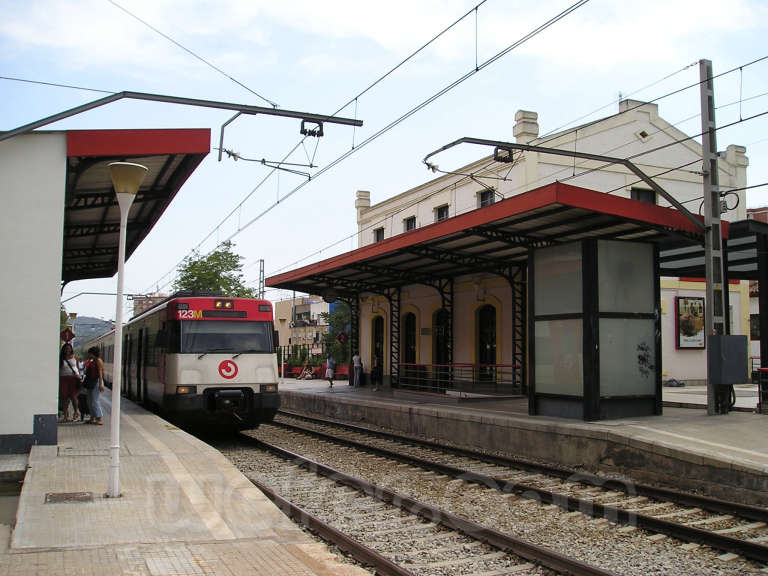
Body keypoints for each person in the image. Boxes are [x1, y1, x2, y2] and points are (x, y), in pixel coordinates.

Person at [82, 347, 105, 425]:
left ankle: (99, 418)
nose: (88, 354)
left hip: (96, 382)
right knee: (89, 401)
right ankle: (92, 417)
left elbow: (100, 373)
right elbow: (85, 370)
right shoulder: (91, 361)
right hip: (90, 382)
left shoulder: (98, 361)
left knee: (95, 401)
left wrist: (101, 384)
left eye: (90, 353)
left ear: (93, 353)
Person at [58, 343, 81, 422]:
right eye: (66, 348)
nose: (67, 350)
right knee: (64, 398)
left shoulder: (75, 357)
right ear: (63, 349)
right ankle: (66, 415)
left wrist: (79, 375)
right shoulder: (61, 358)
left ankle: (76, 413)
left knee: (73, 397)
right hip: (63, 379)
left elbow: (77, 367)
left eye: (69, 348)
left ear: (71, 349)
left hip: (73, 379)